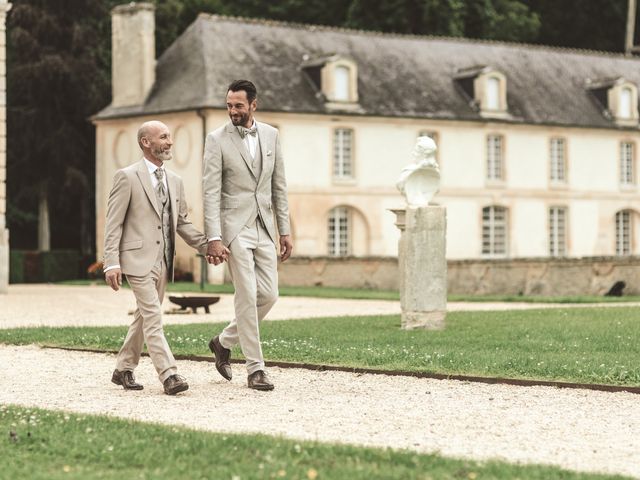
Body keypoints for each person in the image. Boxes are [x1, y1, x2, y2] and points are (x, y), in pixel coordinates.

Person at [104, 120, 209, 395]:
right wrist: (111, 262)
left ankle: (123, 368)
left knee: (142, 316)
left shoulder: (175, 181)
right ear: (145, 142)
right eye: (163, 137)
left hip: (162, 262)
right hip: (136, 259)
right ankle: (169, 374)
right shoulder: (126, 176)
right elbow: (113, 223)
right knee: (152, 316)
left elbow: (182, 223)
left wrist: (208, 246)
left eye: (170, 137)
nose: (170, 142)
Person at [203, 79, 292, 391]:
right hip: (234, 227)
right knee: (246, 294)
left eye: (238, 105)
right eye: (229, 105)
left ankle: (223, 341)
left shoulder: (271, 135)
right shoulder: (216, 139)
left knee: (269, 295)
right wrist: (214, 236)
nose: (233, 111)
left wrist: (285, 230)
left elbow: (278, 186)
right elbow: (210, 192)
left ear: (253, 104)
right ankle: (255, 369)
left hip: (265, 226)